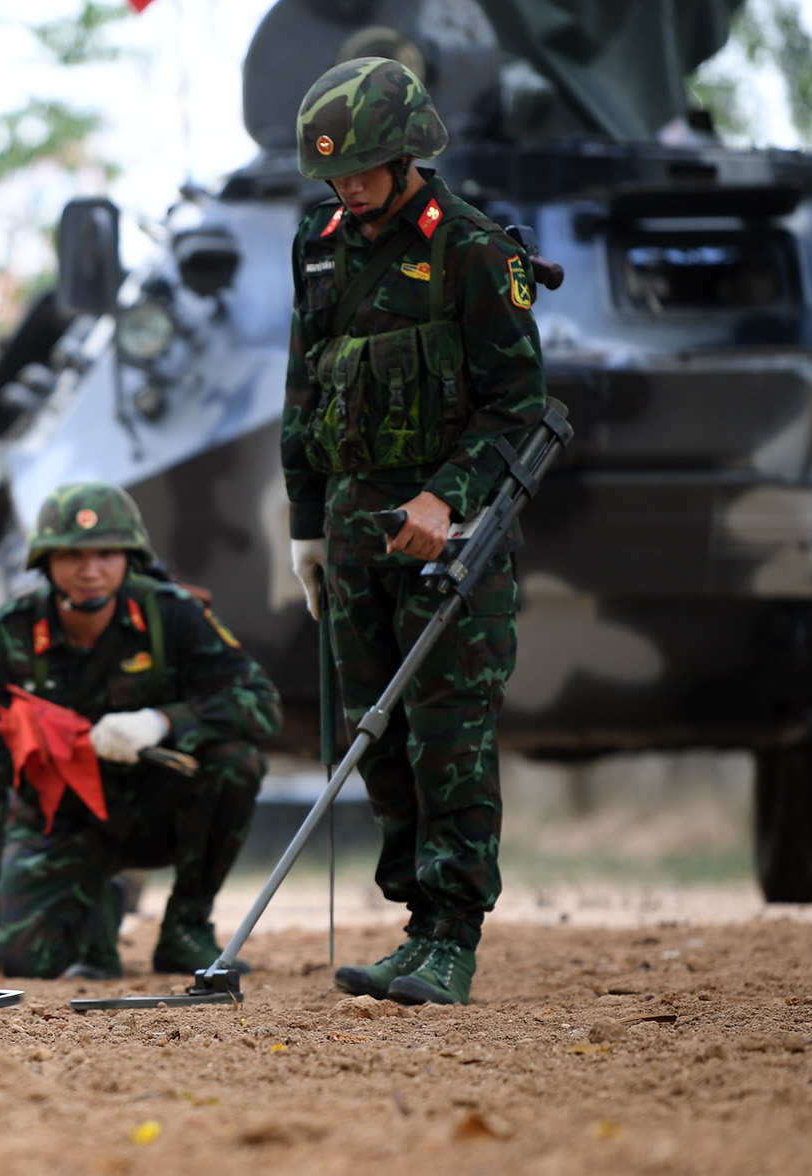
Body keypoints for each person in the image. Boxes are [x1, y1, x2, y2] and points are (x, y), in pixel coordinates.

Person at [281, 57, 545, 1005]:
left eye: (362, 170)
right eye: (334, 177)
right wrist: (306, 523)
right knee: (374, 738)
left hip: (450, 532)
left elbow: (520, 408)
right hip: (355, 528)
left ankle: (452, 933)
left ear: (407, 156)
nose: (348, 190)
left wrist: (448, 498)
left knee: (448, 732)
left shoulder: (474, 250)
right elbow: (304, 384)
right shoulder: (319, 242)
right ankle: (412, 922)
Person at [0, 482, 282, 981]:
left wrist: (163, 721)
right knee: (21, 961)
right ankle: (97, 910)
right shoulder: (6, 640)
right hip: (63, 822)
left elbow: (261, 706)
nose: (91, 571)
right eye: (73, 555)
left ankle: (187, 926)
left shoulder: (172, 615)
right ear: (46, 562)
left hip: (159, 810)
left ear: (130, 558)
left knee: (235, 763)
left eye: (108, 553)